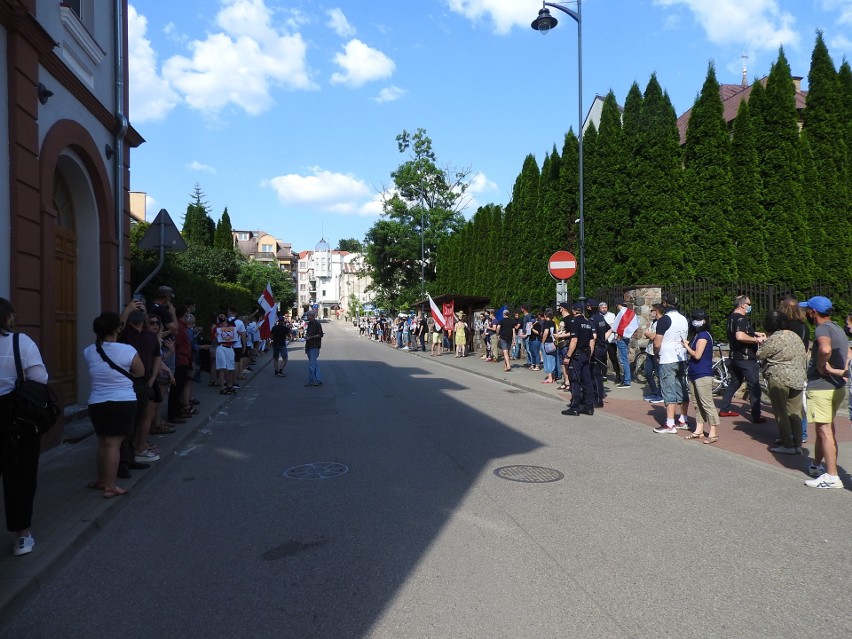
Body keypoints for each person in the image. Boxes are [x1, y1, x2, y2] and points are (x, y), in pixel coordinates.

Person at [0, 298, 48, 556]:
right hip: (16, 418)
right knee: (20, 477)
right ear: (9, 317)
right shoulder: (22, 342)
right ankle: (22, 536)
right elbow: (40, 379)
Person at [84, 312, 145, 500]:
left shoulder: (88, 351)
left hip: (97, 402)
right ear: (116, 329)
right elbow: (140, 371)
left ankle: (101, 480)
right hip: (122, 401)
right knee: (114, 444)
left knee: (103, 442)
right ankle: (110, 486)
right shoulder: (127, 350)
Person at [801, 297, 849, 489]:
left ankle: (831, 475)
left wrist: (821, 365)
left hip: (822, 386)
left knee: (824, 430)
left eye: (808, 310)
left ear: (813, 312)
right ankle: (816, 465)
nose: (806, 313)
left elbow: (825, 348)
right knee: (826, 428)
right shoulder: (837, 327)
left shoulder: (822, 329)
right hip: (836, 386)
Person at [757, 310, 806, 454]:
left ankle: (787, 444)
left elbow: (761, 354)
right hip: (798, 377)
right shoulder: (795, 336)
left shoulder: (775, 338)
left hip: (779, 377)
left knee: (781, 412)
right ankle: (797, 444)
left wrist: (762, 342)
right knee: (795, 412)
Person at [718, 295, 768, 423]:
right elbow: (739, 336)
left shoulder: (732, 318)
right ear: (742, 305)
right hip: (746, 358)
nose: (750, 306)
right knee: (754, 386)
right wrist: (756, 340)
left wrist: (754, 333)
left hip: (735, 356)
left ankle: (724, 408)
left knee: (735, 382)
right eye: (749, 304)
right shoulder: (741, 319)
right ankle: (756, 415)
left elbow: (739, 333)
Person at [652, 293, 690, 434]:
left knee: (668, 390)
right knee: (681, 388)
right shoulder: (683, 319)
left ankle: (670, 423)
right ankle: (683, 419)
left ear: (665, 304)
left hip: (668, 357)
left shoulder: (664, 320)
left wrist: (656, 353)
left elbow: (657, 342)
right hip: (681, 356)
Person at [681, 309, 720, 443]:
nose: (695, 321)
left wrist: (686, 347)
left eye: (697, 319)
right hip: (694, 372)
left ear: (704, 320)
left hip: (702, 373)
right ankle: (699, 430)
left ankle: (713, 432)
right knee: (696, 403)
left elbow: (697, 355)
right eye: (694, 318)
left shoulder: (703, 336)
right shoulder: (697, 335)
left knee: (706, 403)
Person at [561, 303, 595, 416]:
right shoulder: (588, 323)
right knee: (587, 381)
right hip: (585, 354)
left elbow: (574, 340)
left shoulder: (574, 322)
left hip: (577, 355)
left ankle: (574, 407)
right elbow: (592, 340)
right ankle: (589, 407)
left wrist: (568, 356)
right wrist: (590, 353)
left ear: (574, 311)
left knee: (575, 381)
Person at [587, 298, 611, 407]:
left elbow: (594, 336)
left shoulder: (592, 319)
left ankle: (597, 399)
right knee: (599, 375)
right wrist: (604, 340)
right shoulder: (600, 318)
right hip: (601, 348)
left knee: (594, 375)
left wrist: (590, 353)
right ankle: (598, 397)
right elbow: (610, 329)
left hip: (596, 350)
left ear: (590, 307)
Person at [612, 300, 638, 388]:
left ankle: (627, 381)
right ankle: (626, 379)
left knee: (623, 360)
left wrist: (619, 334)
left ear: (617, 305)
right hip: (625, 337)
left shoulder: (622, 313)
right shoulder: (630, 312)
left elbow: (618, 326)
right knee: (624, 359)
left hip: (621, 337)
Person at [642, 304, 664, 403]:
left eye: (652, 310)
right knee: (647, 372)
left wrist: (649, 335)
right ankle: (654, 392)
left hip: (657, 351)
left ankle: (661, 394)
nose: (651, 312)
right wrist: (649, 335)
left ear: (657, 311)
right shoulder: (653, 322)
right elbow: (647, 334)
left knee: (659, 374)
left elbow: (654, 337)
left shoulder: (662, 322)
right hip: (649, 350)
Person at [599, 302, 621, 384]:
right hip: (602, 339)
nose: (604, 309)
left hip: (611, 339)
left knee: (613, 357)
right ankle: (604, 376)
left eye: (605, 307)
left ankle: (618, 375)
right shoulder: (598, 316)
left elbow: (614, 325)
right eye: (602, 308)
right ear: (599, 308)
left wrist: (608, 327)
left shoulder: (611, 315)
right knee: (603, 358)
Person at [304, 311, 324, 386]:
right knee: (314, 364)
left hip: (314, 346)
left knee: (312, 365)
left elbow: (320, 334)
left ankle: (311, 381)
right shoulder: (309, 324)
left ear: (312, 316)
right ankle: (319, 380)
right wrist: (306, 336)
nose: (307, 316)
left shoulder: (317, 323)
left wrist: (310, 337)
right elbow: (309, 334)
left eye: (308, 315)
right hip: (309, 345)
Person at [541, 309, 558, 384]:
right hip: (553, 342)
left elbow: (546, 332)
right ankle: (553, 376)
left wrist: (542, 342)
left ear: (545, 315)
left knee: (547, 359)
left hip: (547, 342)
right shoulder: (553, 322)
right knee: (553, 359)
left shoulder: (547, 323)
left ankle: (549, 377)